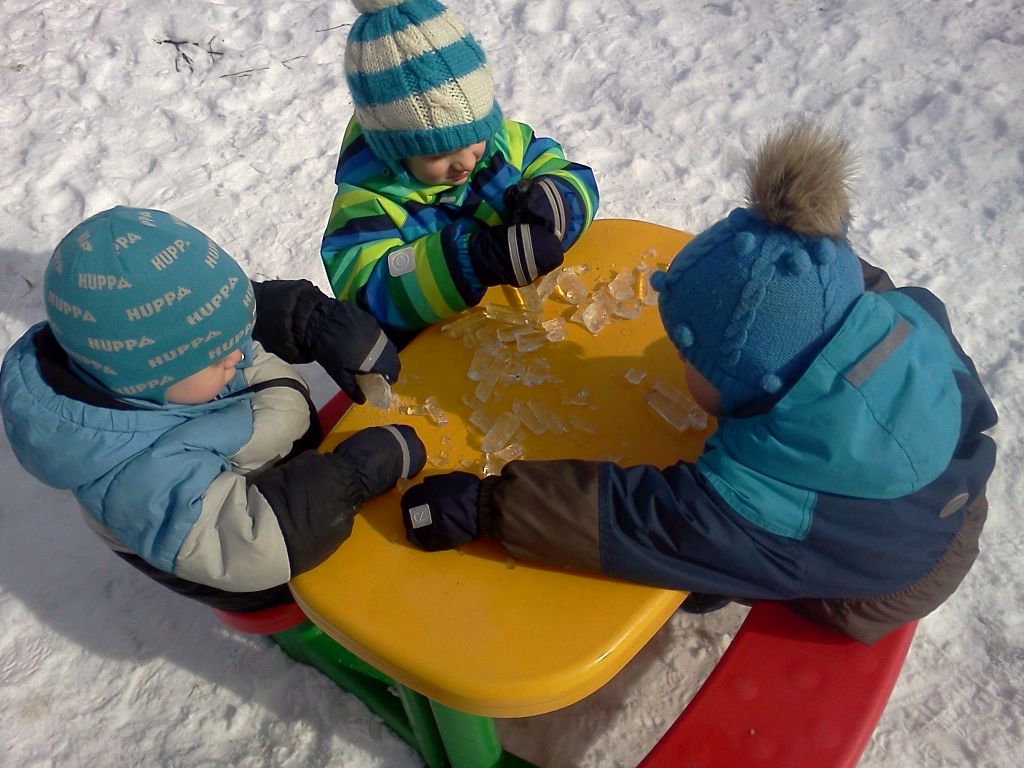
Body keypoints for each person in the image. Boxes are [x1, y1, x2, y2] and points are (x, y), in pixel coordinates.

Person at [397, 123, 998, 644]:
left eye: (692, 358)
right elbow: (834, 282)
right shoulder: (895, 311)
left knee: (710, 553)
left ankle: (736, 569)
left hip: (894, 576)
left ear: (756, 380)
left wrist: (486, 506)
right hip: (957, 485)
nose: (678, 365)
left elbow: (639, 521)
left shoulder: (762, 503)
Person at [1, 206, 426, 613]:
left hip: (298, 480)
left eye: (237, 335)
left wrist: (318, 324)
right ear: (147, 378)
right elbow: (249, 545)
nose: (238, 355)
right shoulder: (137, 476)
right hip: (280, 564)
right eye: (218, 354)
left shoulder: (168, 353)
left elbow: (228, 318)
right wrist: (349, 477)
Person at [321, 0, 600, 342]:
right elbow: (369, 294)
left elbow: (565, 171)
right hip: (437, 358)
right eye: (439, 153)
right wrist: (470, 261)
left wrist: (558, 202)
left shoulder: (502, 142)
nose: (466, 161)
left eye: (473, 138)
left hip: (527, 331)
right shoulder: (366, 207)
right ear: (395, 151)